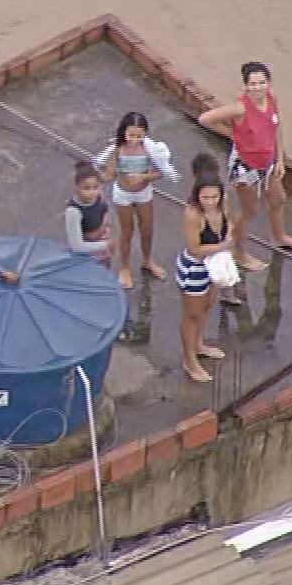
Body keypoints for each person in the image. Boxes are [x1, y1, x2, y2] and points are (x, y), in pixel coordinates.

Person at [197, 61, 292, 272]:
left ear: (269, 83)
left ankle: (279, 237)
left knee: (278, 200)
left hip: (268, 161)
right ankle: (238, 252)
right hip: (245, 166)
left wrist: (280, 158)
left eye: (262, 82)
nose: (258, 88)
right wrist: (233, 135)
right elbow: (205, 119)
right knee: (250, 211)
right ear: (246, 86)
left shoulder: (271, 99)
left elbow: (275, 127)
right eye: (253, 84)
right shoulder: (239, 108)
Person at [95, 111, 177, 289]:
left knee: (147, 229)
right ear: (123, 132)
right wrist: (101, 177)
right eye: (131, 135)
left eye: (140, 136)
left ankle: (147, 260)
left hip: (144, 193)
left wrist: (143, 178)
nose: (135, 139)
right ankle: (124, 268)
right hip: (123, 195)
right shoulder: (117, 149)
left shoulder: (150, 150)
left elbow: (159, 173)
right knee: (127, 231)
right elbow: (108, 172)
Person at [174, 154, 232, 383]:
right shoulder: (192, 214)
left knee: (207, 306)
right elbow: (195, 249)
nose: (209, 201)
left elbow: (230, 224)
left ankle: (198, 344)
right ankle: (189, 359)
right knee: (192, 314)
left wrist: (227, 237)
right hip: (195, 268)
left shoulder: (223, 204)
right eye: (205, 197)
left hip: (214, 264)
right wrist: (224, 245)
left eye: (214, 197)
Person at [63, 161, 112, 263]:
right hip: (87, 257)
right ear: (77, 186)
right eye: (86, 188)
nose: (92, 193)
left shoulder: (98, 195)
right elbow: (77, 247)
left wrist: (104, 227)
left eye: (95, 187)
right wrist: (107, 244)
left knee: (105, 267)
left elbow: (104, 210)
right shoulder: (73, 212)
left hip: (102, 246)